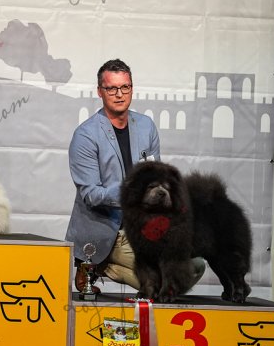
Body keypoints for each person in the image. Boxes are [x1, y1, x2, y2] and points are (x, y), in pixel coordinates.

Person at [65, 58, 204, 293]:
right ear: (100, 91)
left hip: (144, 227)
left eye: (125, 87)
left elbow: (158, 179)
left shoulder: (146, 127)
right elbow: (91, 195)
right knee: (163, 283)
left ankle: (106, 267)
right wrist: (134, 192)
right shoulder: (85, 136)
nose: (119, 94)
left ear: (132, 88)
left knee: (193, 267)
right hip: (109, 231)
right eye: (112, 88)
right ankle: (97, 261)